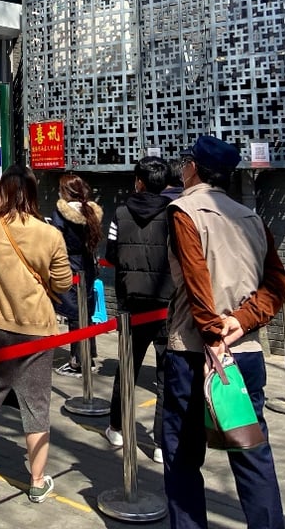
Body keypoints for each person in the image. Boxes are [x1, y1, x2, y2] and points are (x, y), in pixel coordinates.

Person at [164, 135, 285, 529]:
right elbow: (278, 282)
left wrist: (213, 329)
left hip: (194, 352)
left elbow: (197, 279)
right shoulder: (251, 217)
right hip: (246, 352)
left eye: (185, 162)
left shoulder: (184, 211)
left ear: (193, 168)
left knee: (182, 455)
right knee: (252, 453)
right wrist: (246, 318)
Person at [0, 164, 71, 503]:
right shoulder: (50, 234)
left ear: (4, 193)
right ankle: (37, 481)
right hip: (36, 329)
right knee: (36, 405)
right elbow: (64, 282)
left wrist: (4, 191)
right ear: (34, 194)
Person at [104, 156, 174, 465]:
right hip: (167, 304)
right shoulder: (174, 215)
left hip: (130, 304)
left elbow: (110, 252)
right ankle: (161, 442)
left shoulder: (120, 213)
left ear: (139, 181)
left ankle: (117, 427)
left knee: (127, 367)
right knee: (166, 374)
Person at [51, 172, 104, 378]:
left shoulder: (61, 212)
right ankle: (88, 355)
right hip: (88, 265)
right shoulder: (90, 211)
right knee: (85, 311)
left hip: (70, 266)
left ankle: (77, 361)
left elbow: (56, 240)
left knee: (74, 314)